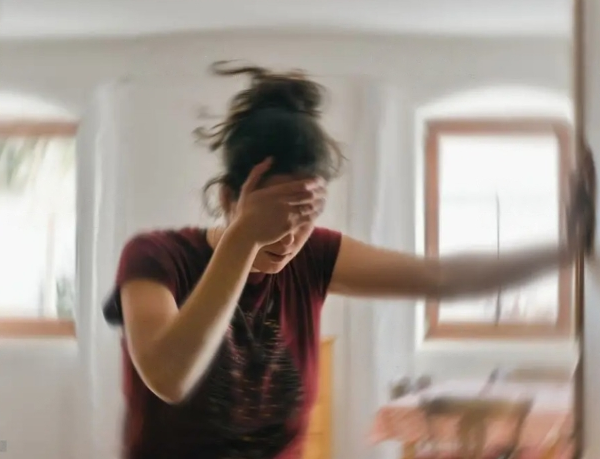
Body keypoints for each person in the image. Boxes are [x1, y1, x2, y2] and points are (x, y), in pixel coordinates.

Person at [103, 62, 594, 459]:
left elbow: (442, 277)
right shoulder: (155, 257)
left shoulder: (315, 256)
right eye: (273, 213)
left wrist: (568, 247)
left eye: (304, 215)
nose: (288, 236)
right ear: (230, 198)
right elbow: (169, 377)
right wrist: (244, 240)